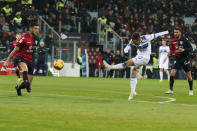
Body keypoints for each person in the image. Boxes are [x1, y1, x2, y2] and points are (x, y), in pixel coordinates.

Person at [104, 31, 169, 100]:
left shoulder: (146, 37)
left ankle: (110, 67)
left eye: (136, 42)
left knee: (127, 63)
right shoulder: (133, 40)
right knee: (133, 73)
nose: (134, 43)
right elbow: (129, 44)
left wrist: (166, 32)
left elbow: (156, 34)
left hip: (145, 57)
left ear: (139, 39)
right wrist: (127, 48)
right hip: (139, 56)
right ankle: (133, 92)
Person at [3, 22, 39, 96]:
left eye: (38, 28)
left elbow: (33, 50)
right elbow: (15, 50)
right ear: (30, 28)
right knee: (25, 72)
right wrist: (7, 61)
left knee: (28, 83)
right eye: (35, 28)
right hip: (21, 58)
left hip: (30, 60)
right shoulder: (24, 38)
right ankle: (25, 81)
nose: (37, 30)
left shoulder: (37, 39)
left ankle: (18, 88)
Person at [165, 27, 193, 95]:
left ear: (180, 32)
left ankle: (191, 89)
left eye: (177, 32)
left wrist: (183, 50)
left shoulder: (184, 40)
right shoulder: (173, 40)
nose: (175, 33)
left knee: (188, 76)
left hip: (185, 59)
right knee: (172, 72)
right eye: (174, 32)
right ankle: (171, 90)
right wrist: (169, 53)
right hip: (177, 59)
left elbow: (190, 49)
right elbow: (172, 49)